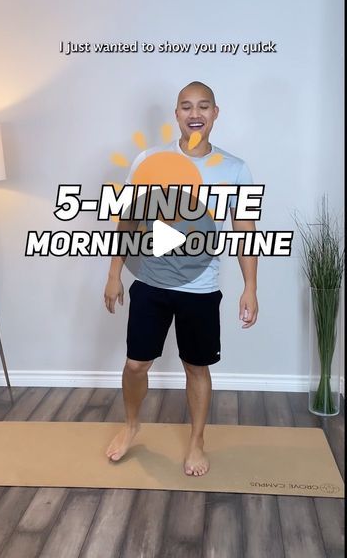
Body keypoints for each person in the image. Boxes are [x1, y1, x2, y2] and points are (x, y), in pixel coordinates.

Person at [104, 81, 258, 476]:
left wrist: (250, 288)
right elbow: (127, 219)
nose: (195, 114)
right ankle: (132, 425)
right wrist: (114, 274)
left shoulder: (234, 169)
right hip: (151, 284)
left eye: (203, 106)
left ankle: (196, 442)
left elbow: (246, 231)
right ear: (176, 115)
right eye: (186, 106)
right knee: (136, 364)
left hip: (201, 289)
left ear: (215, 113)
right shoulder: (148, 160)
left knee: (196, 367)